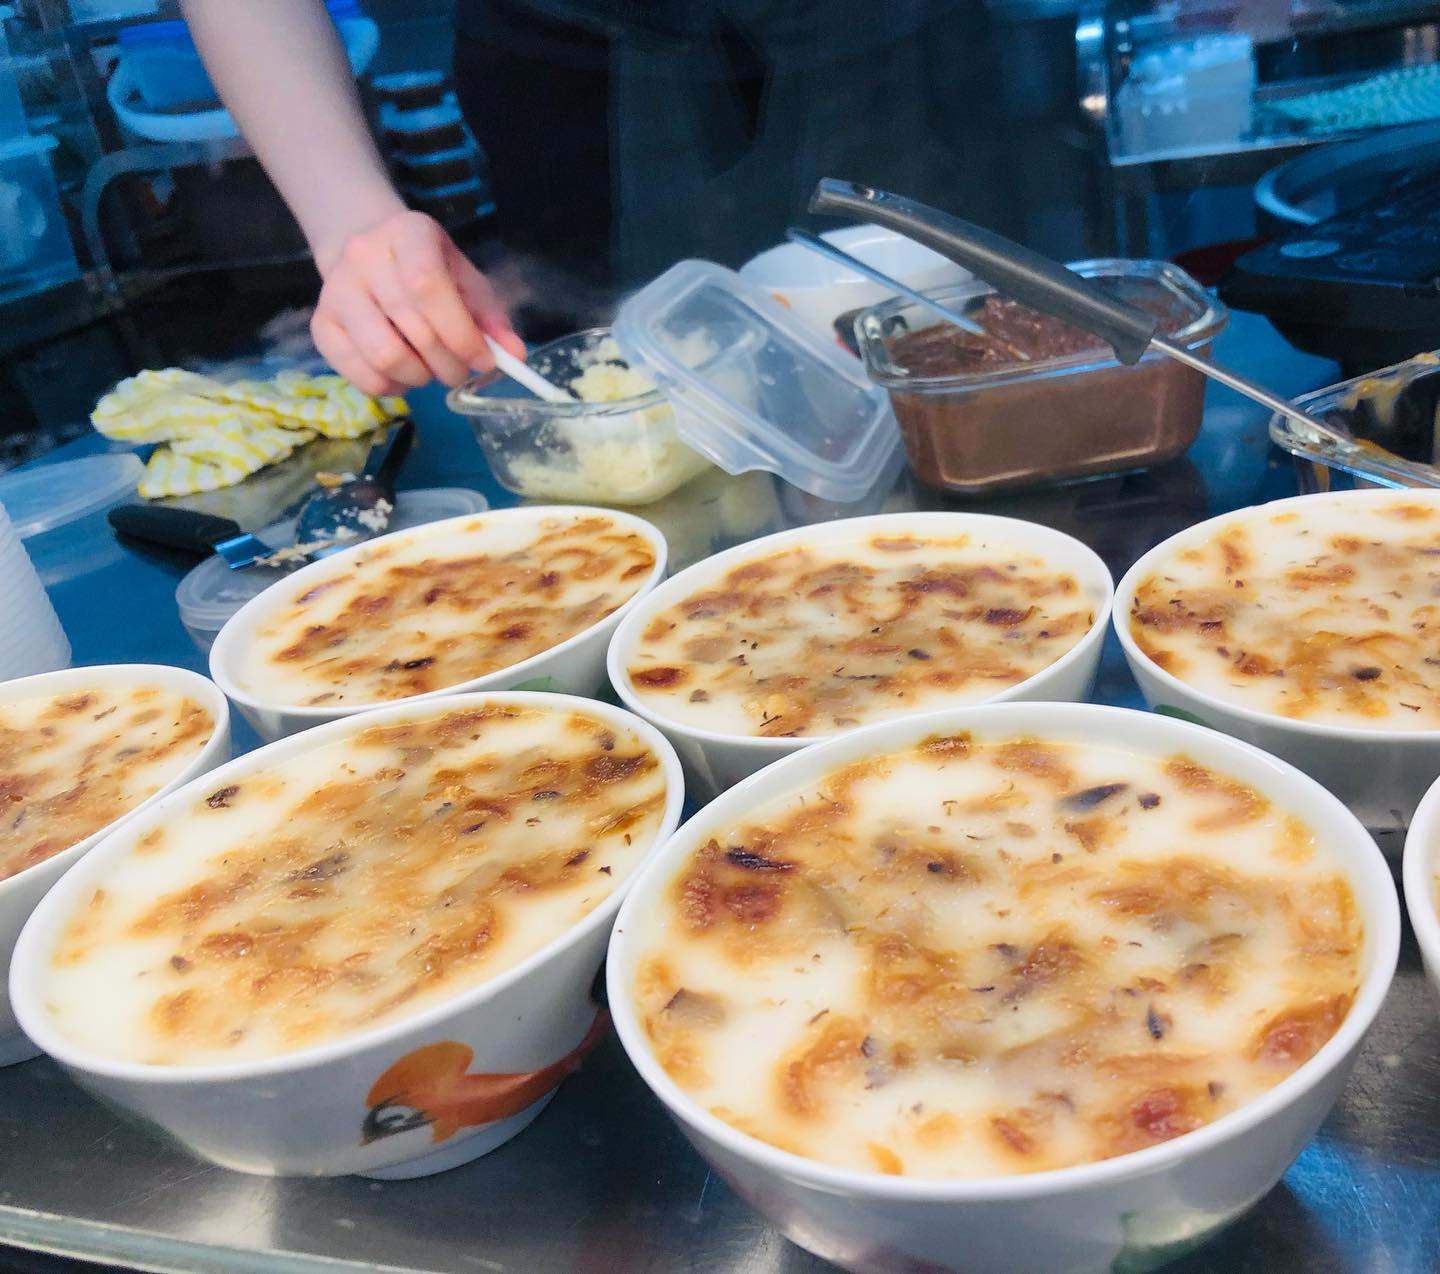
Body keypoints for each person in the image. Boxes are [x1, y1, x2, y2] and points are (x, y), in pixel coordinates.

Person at [179, 0, 1013, 397]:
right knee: (622, 391)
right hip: (570, 51)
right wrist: (351, 222)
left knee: (964, 355)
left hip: (887, 36)